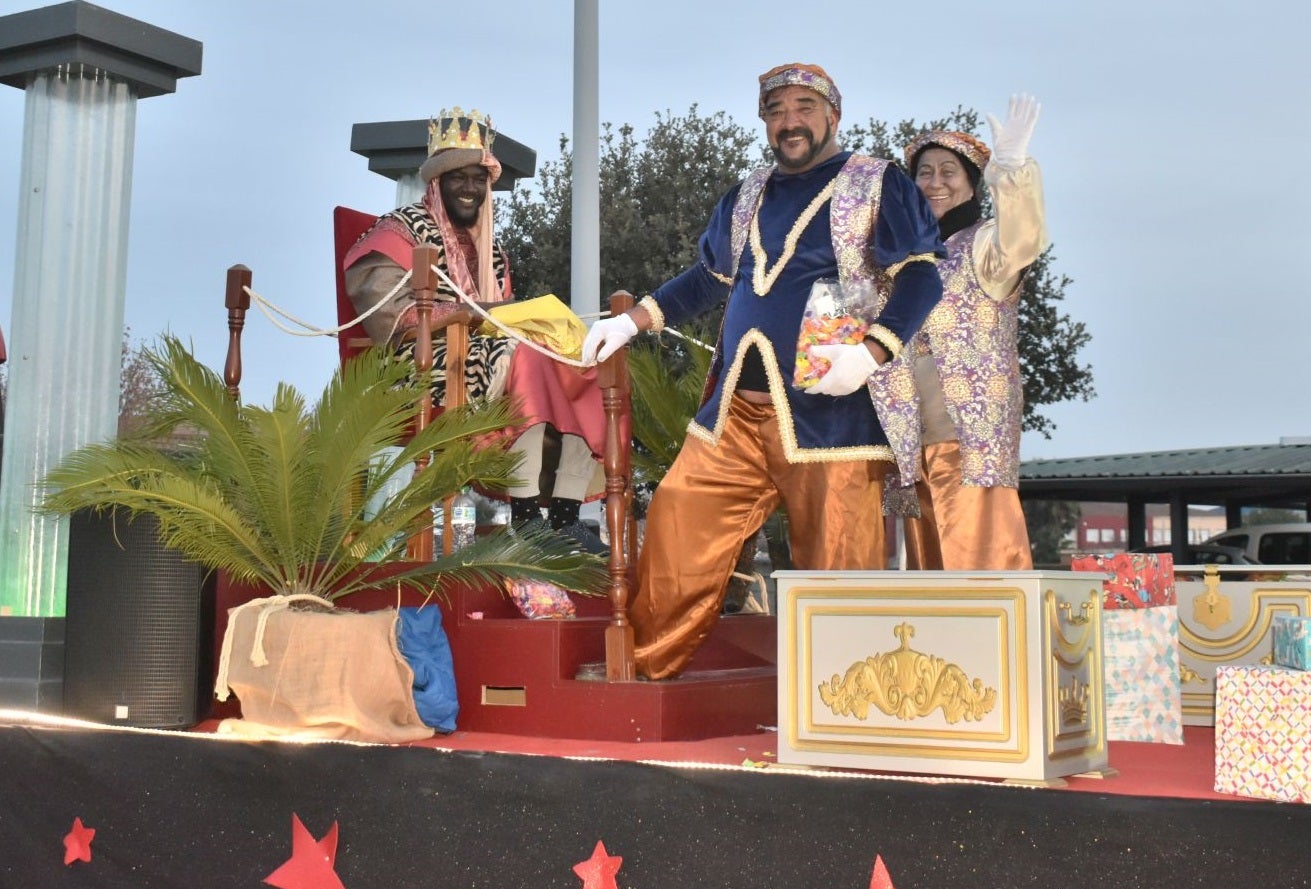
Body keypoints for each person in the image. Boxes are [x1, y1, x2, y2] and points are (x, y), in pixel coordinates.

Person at [581, 63, 945, 680]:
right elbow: (708, 279)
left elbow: (921, 275)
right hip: (735, 412)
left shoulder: (878, 182)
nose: (789, 122)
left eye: (804, 107)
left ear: (833, 115)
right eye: (776, 112)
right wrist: (634, 320)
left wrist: (873, 352)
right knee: (676, 519)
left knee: (837, 563)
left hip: (832, 414)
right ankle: (642, 665)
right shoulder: (747, 194)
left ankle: (844, 698)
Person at [344, 107, 610, 554]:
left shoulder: (492, 248)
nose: (470, 188)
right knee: (530, 356)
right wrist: (473, 314)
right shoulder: (398, 233)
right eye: (458, 178)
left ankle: (566, 515)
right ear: (437, 182)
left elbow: (504, 315)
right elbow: (390, 316)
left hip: (490, 354)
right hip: (420, 362)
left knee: (584, 358)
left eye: (478, 179)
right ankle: (527, 515)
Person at [899, 95, 1046, 570]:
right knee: (920, 563)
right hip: (906, 442)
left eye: (949, 172)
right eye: (924, 172)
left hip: (969, 436)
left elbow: (1021, 241)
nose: (935, 182)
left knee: (977, 564)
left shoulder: (983, 243)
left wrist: (1013, 168)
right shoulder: (901, 257)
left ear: (970, 183)